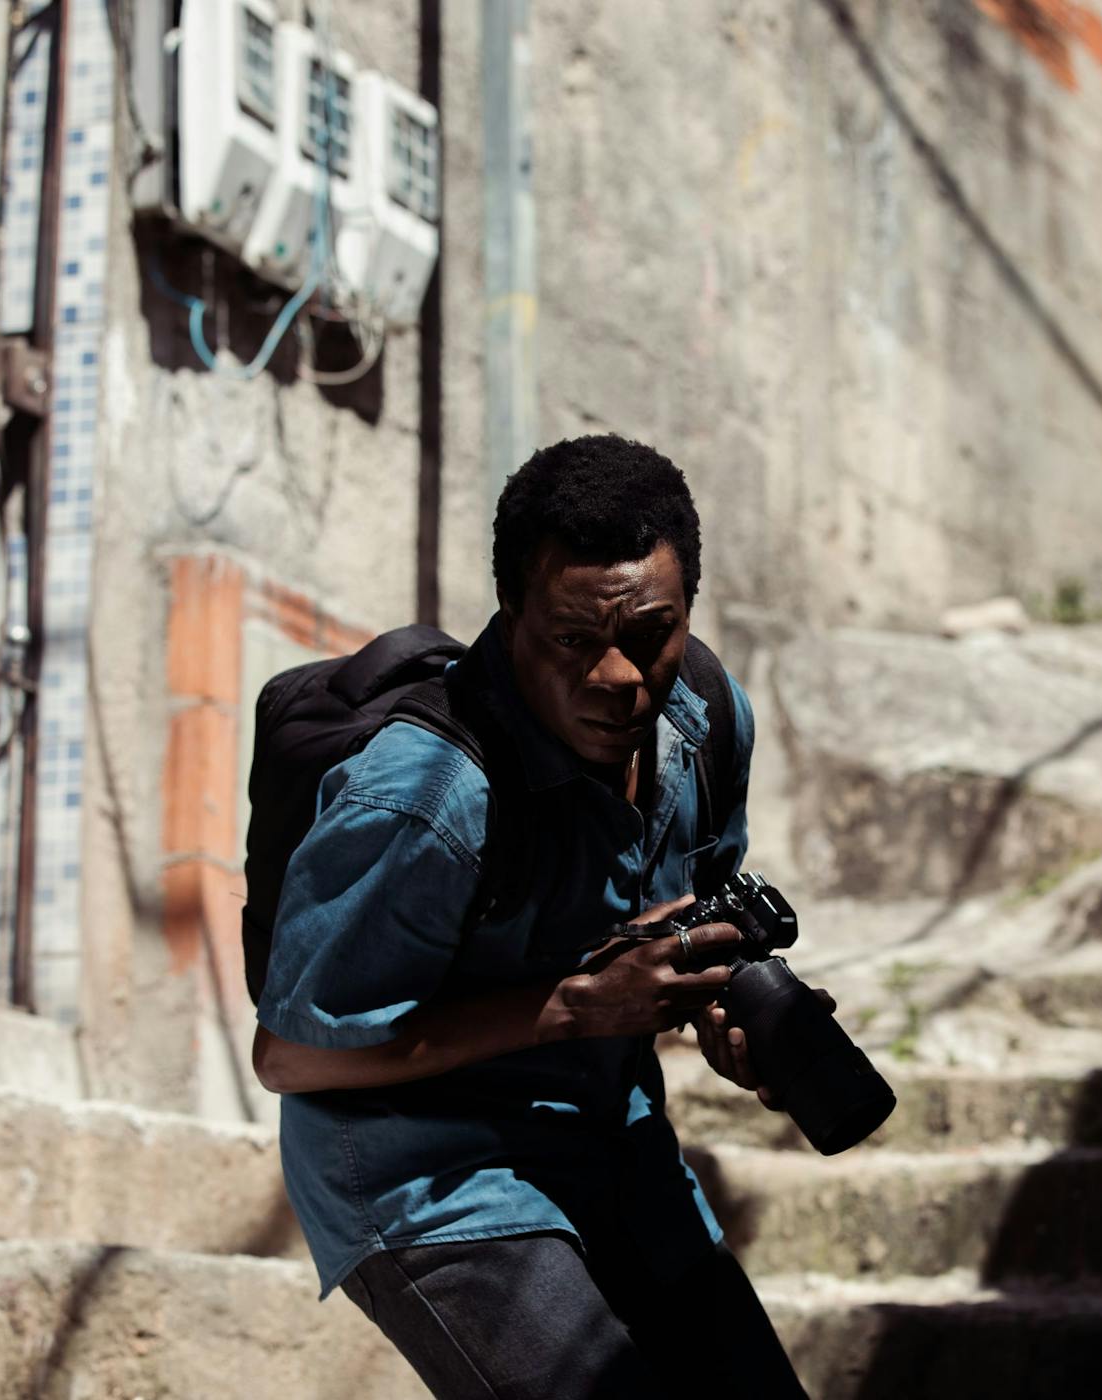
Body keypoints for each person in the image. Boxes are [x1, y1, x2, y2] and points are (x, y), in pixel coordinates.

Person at [251, 434, 812, 1398]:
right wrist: (575, 1006)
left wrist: (722, 1014)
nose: (618, 677)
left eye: (649, 632)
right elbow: (291, 1057)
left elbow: (686, 912)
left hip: (611, 1135)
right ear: (512, 618)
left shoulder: (707, 720)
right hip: (423, 1170)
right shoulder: (426, 796)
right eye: (570, 640)